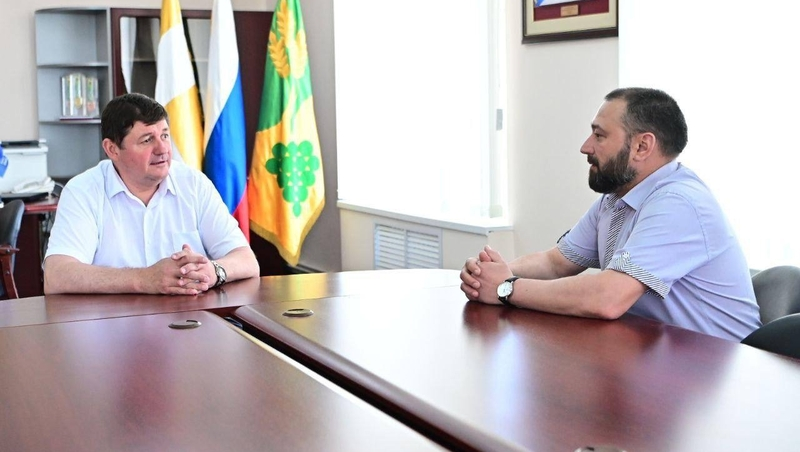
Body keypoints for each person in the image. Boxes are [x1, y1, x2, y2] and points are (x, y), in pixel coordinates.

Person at [460, 87, 761, 341]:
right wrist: (490, 275)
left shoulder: (679, 203)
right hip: (656, 354)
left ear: (642, 146)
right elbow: (556, 262)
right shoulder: (618, 196)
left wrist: (506, 288)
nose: (585, 147)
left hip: (724, 372)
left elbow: (607, 298)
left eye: (599, 135)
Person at [43, 93, 259, 295]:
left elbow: (247, 261)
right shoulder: (83, 191)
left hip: (189, 316)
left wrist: (214, 271)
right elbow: (56, 276)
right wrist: (144, 279)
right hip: (113, 320)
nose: (162, 149)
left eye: (164, 136)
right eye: (147, 140)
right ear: (112, 149)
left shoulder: (193, 184)